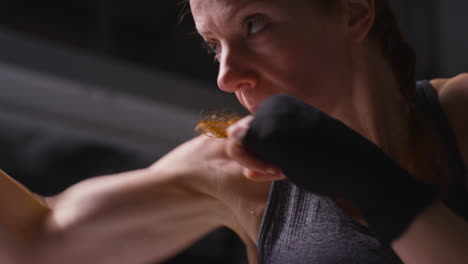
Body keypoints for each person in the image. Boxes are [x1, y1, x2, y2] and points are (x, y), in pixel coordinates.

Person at [0, 0, 466, 264]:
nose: (226, 75)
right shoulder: (235, 173)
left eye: (254, 24)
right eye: (213, 46)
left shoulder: (460, 113)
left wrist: (372, 183)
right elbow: (37, 239)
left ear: (352, 11)